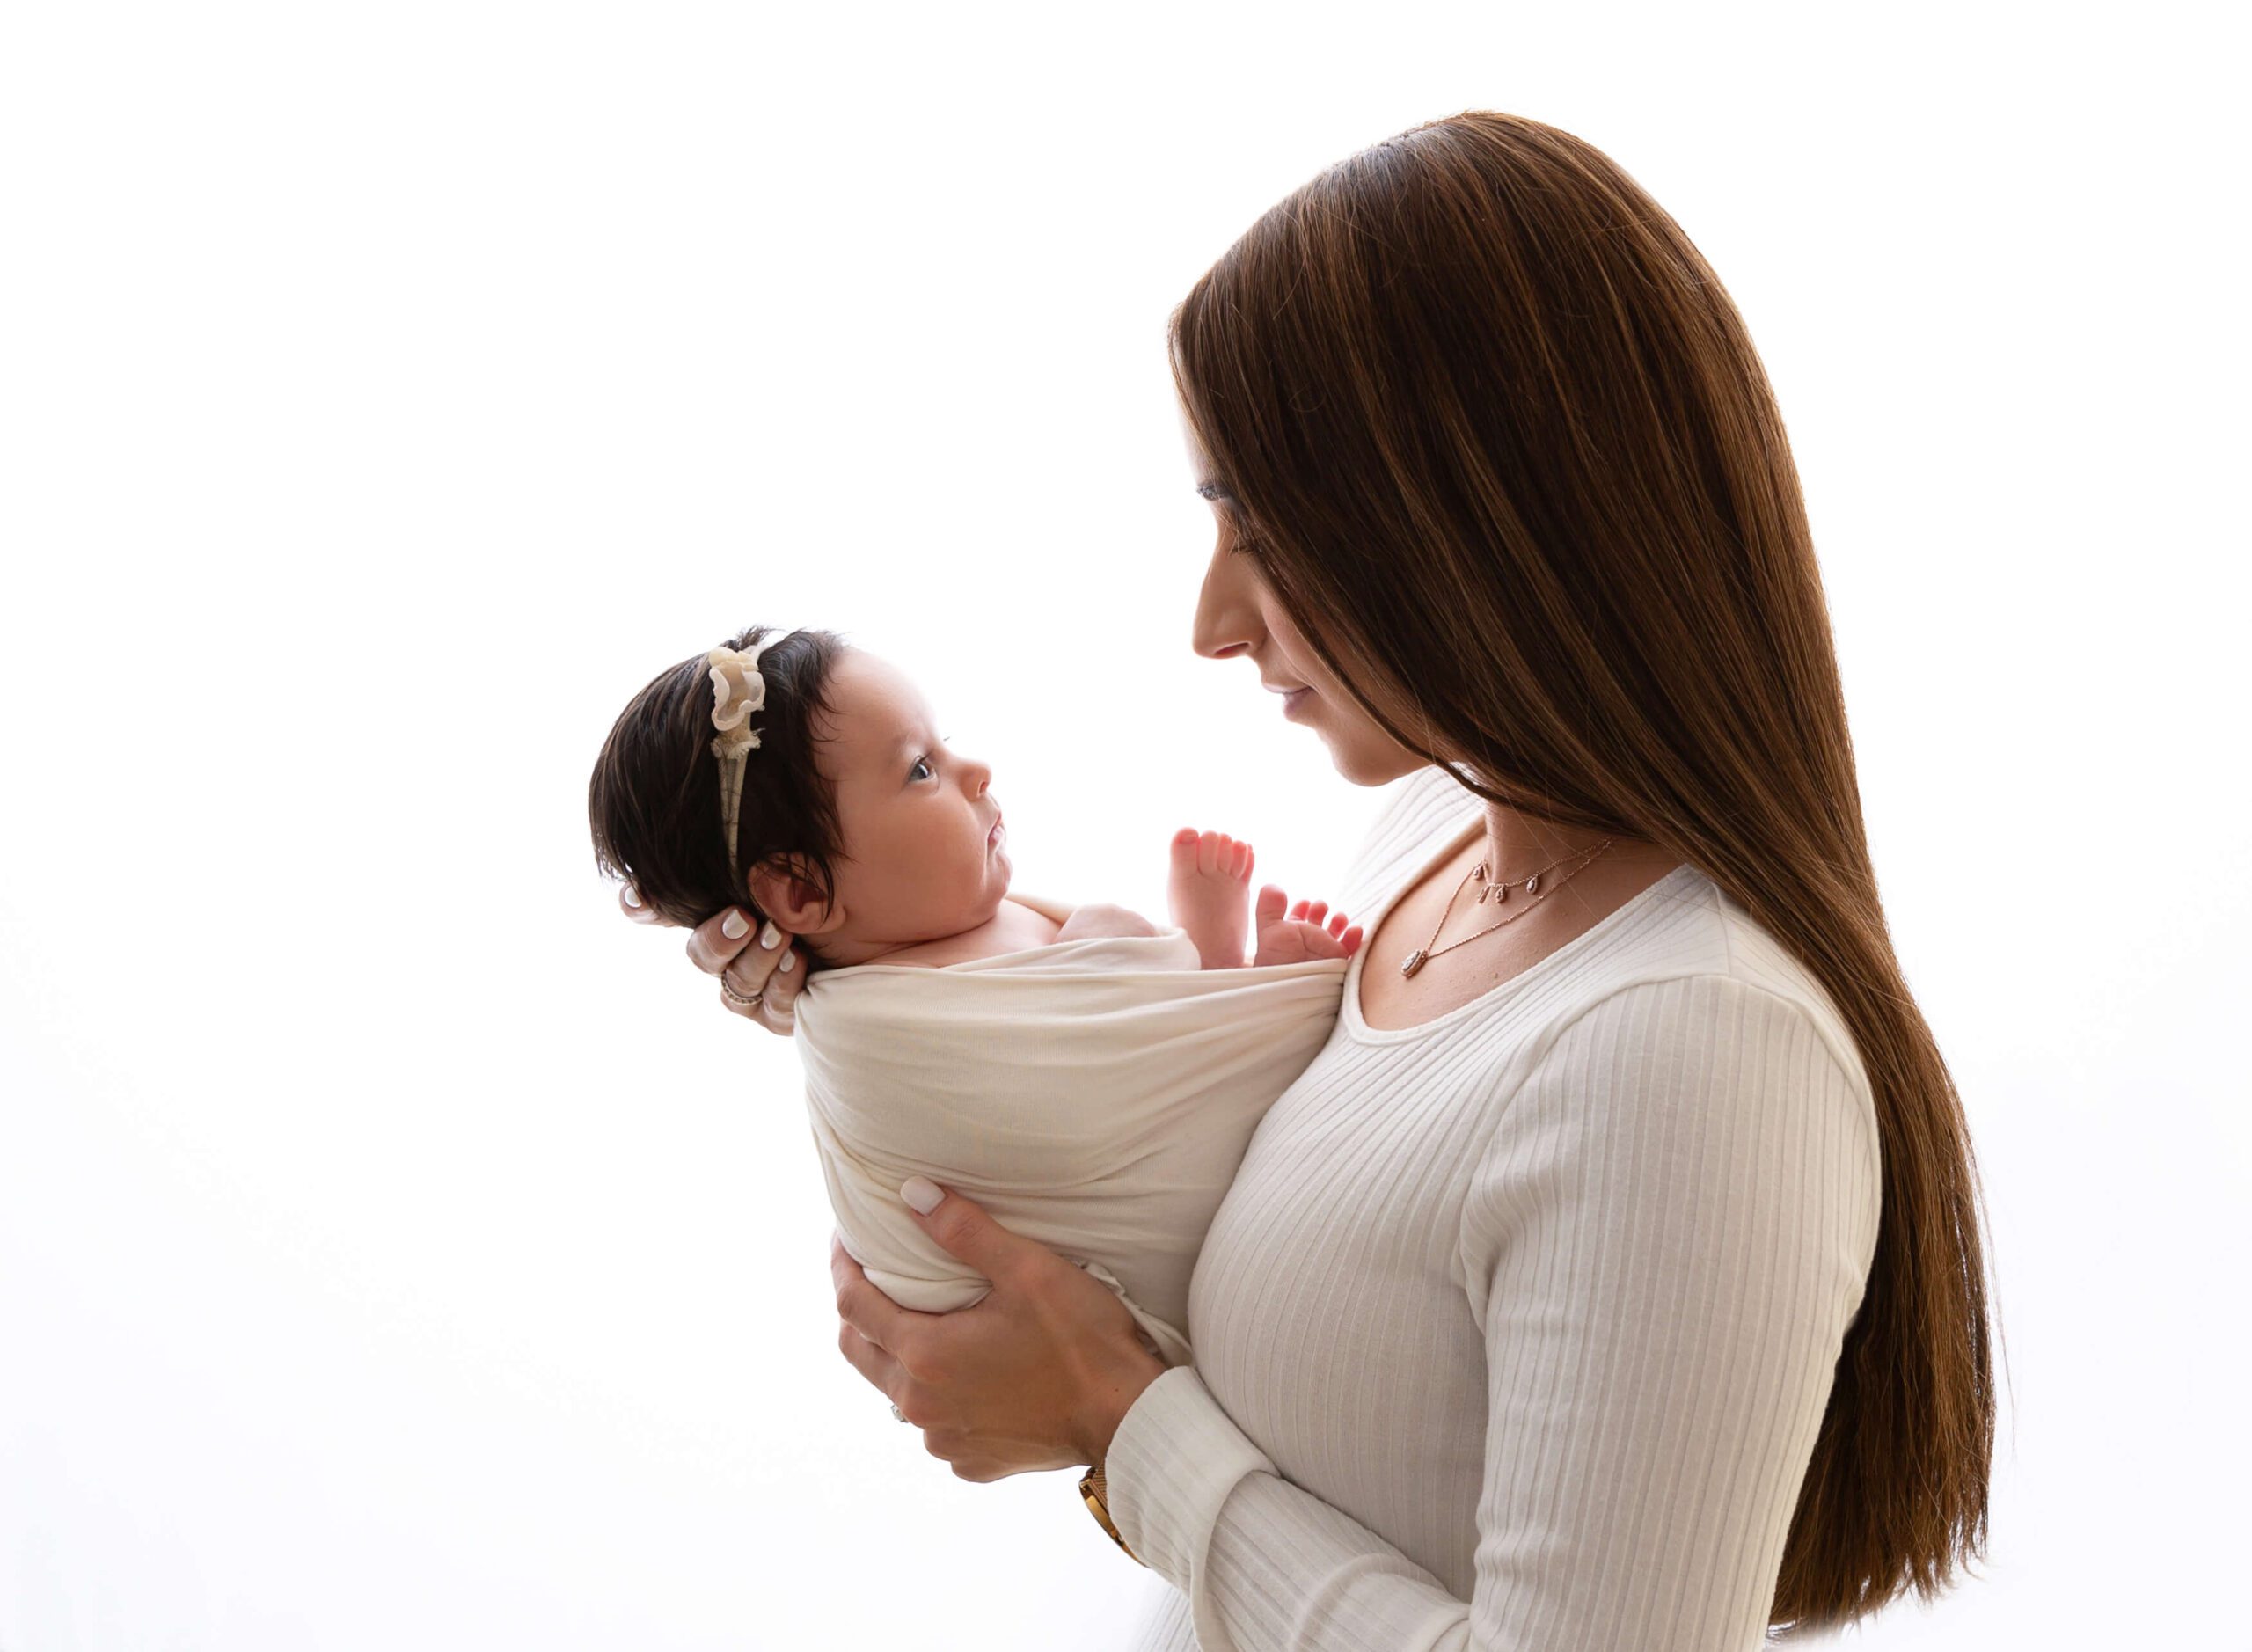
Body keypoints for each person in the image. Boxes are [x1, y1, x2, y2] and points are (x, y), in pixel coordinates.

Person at [628, 111, 1995, 1649]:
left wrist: (1118, 1425)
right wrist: (884, 1007)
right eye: (1217, 521)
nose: (1212, 622)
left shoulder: (1692, 1047)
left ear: (1489, 523)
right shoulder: (1430, 839)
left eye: (1265, 532)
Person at [588, 631, 1364, 1368]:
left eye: (946, 743)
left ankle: (1212, 982)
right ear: (799, 889)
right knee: (1109, 924)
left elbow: (1104, 1041)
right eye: (920, 769)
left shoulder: (955, 921)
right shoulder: (876, 1034)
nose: (977, 770)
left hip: (1193, 1171)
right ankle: (1217, 971)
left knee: (1108, 931)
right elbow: (1049, 1100)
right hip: (1118, 1296)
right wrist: (1126, 947)